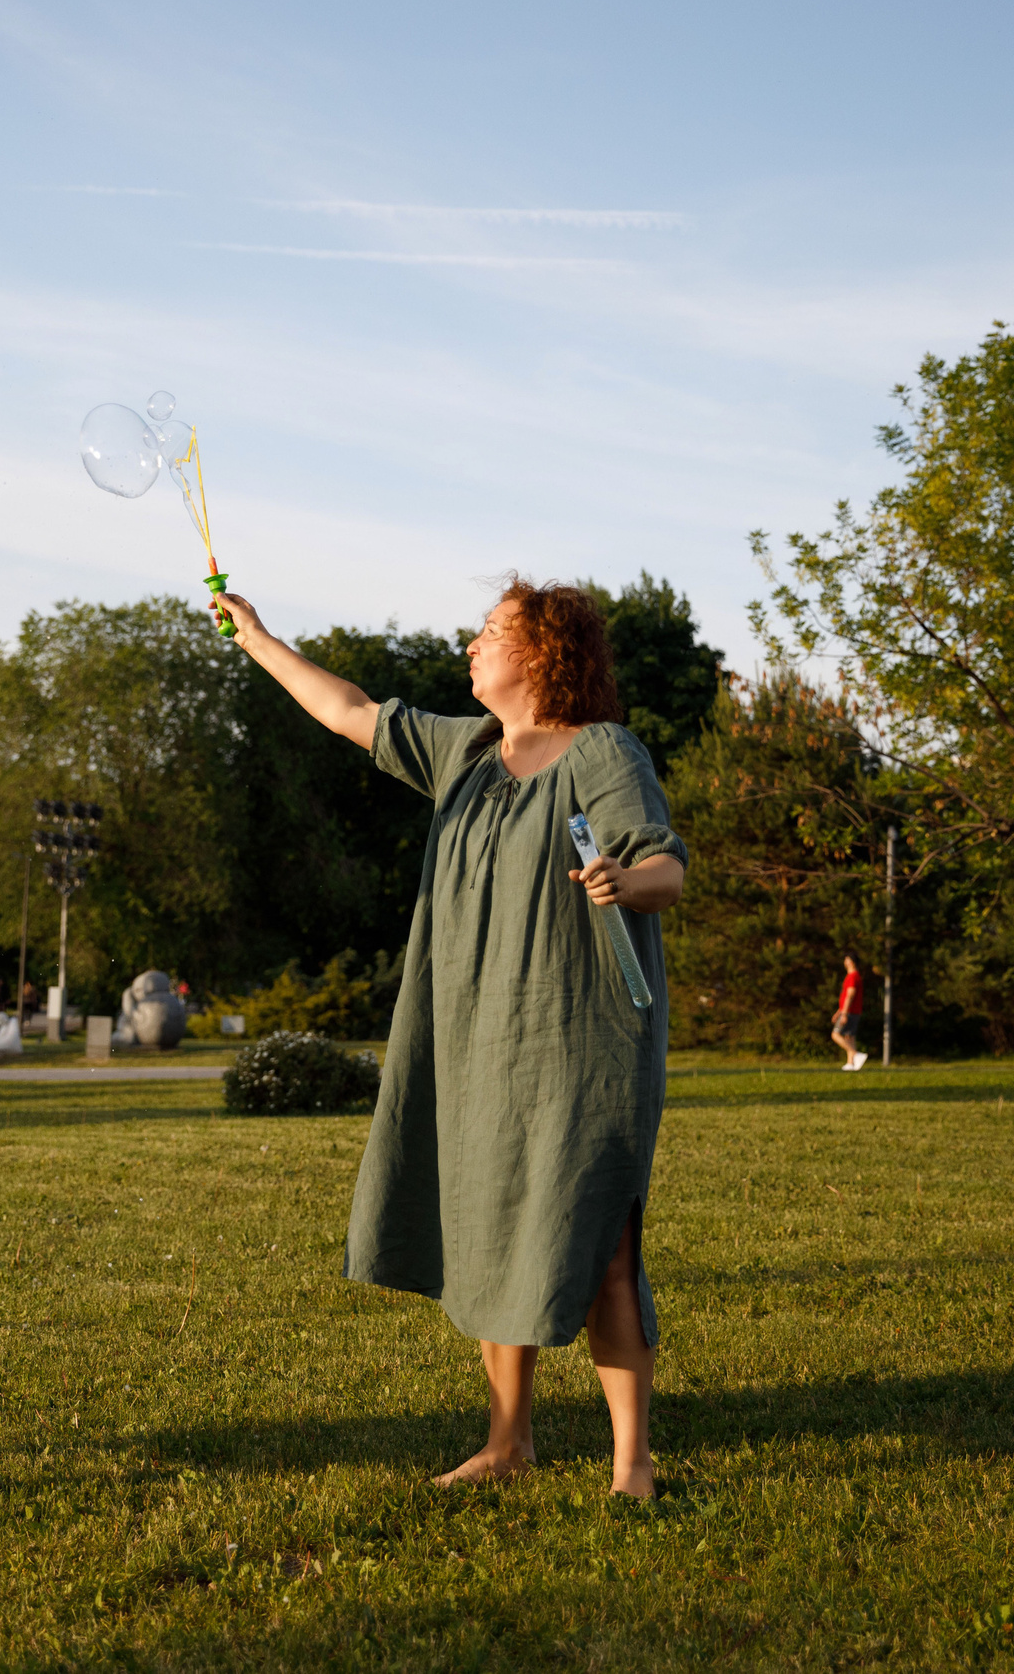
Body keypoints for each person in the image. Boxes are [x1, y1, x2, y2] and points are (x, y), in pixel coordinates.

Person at [216, 575, 687, 1499]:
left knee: (605, 1243)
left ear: (542, 652)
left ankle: (633, 1463)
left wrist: (623, 882)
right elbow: (348, 710)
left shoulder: (604, 750)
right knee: (491, 1229)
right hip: (479, 1045)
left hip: (583, 1047)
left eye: (491, 631)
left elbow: (663, 866)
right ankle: (508, 1443)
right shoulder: (464, 751)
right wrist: (257, 637)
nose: (471, 645)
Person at [832, 954, 867, 1071]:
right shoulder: (853, 976)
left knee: (835, 1035)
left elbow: (850, 995)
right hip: (851, 1011)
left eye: (847, 960)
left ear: (852, 962)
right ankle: (851, 1063)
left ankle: (855, 1054)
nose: (845, 962)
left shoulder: (853, 976)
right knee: (849, 1036)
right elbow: (845, 998)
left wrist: (844, 1014)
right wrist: (839, 1012)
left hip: (850, 1011)